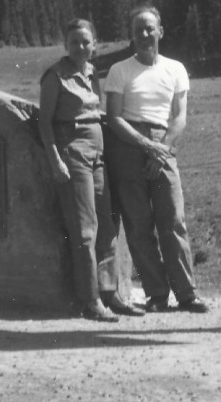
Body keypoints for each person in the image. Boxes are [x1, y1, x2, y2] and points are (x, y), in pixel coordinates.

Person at [104, 5, 210, 313]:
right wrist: (144, 145)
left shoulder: (175, 69)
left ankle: (187, 294)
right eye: (138, 30)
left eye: (150, 28)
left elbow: (180, 117)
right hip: (127, 146)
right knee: (138, 224)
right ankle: (157, 294)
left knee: (173, 220)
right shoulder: (119, 71)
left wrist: (160, 149)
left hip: (163, 144)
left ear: (160, 31)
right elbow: (113, 117)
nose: (145, 34)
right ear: (132, 36)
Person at [38, 18, 144, 321]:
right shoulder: (55, 77)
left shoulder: (90, 72)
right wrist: (55, 160)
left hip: (97, 156)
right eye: (74, 42)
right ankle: (91, 300)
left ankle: (111, 294)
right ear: (65, 45)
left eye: (86, 42)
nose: (81, 47)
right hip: (73, 155)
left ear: (94, 44)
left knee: (107, 226)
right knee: (85, 230)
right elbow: (44, 122)